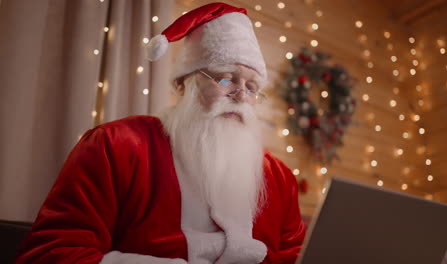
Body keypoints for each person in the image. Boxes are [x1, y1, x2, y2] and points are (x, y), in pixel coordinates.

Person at [15, 2, 305, 264]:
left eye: (252, 87)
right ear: (182, 85)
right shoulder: (116, 145)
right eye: (225, 78)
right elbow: (49, 253)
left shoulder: (278, 179)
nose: (241, 96)